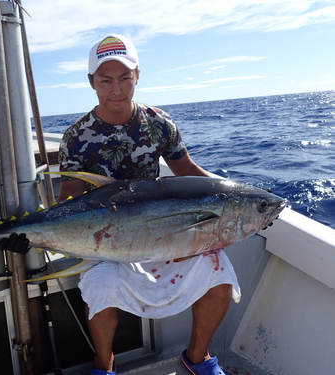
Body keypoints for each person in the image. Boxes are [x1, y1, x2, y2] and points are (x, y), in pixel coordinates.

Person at [56, 34, 240, 375]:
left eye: (125, 78)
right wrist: (39, 233)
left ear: (137, 76)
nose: (117, 90)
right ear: (91, 82)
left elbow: (189, 175)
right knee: (100, 287)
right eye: (106, 80)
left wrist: (235, 195)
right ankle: (104, 364)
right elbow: (68, 197)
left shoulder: (159, 124)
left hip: (161, 232)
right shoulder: (76, 137)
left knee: (220, 274)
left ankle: (197, 357)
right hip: (106, 238)